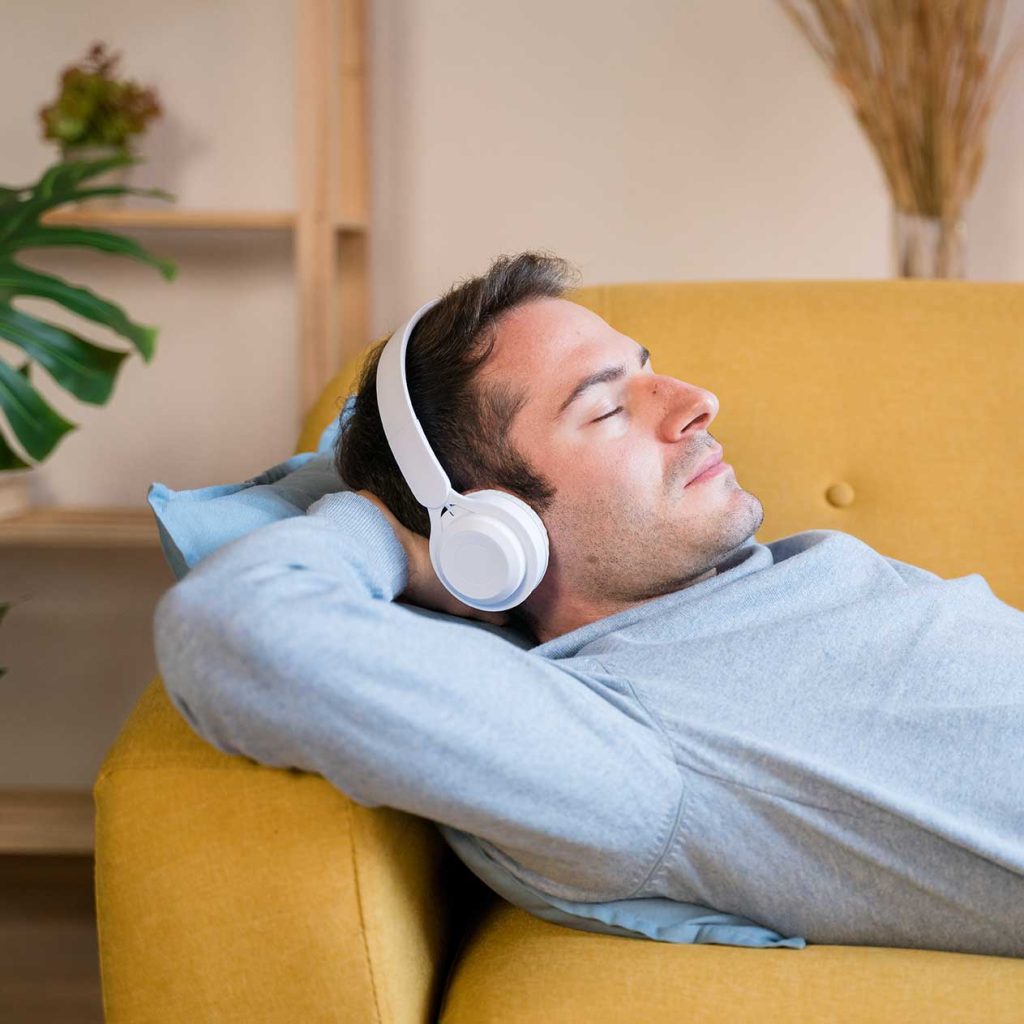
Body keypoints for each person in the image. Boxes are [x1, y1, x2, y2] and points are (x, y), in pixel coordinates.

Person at [155, 251, 1024, 958]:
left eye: (647, 373)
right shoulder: (621, 748)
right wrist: (381, 533)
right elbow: (233, 633)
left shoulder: (766, 582)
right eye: (607, 408)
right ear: (492, 534)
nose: (695, 403)